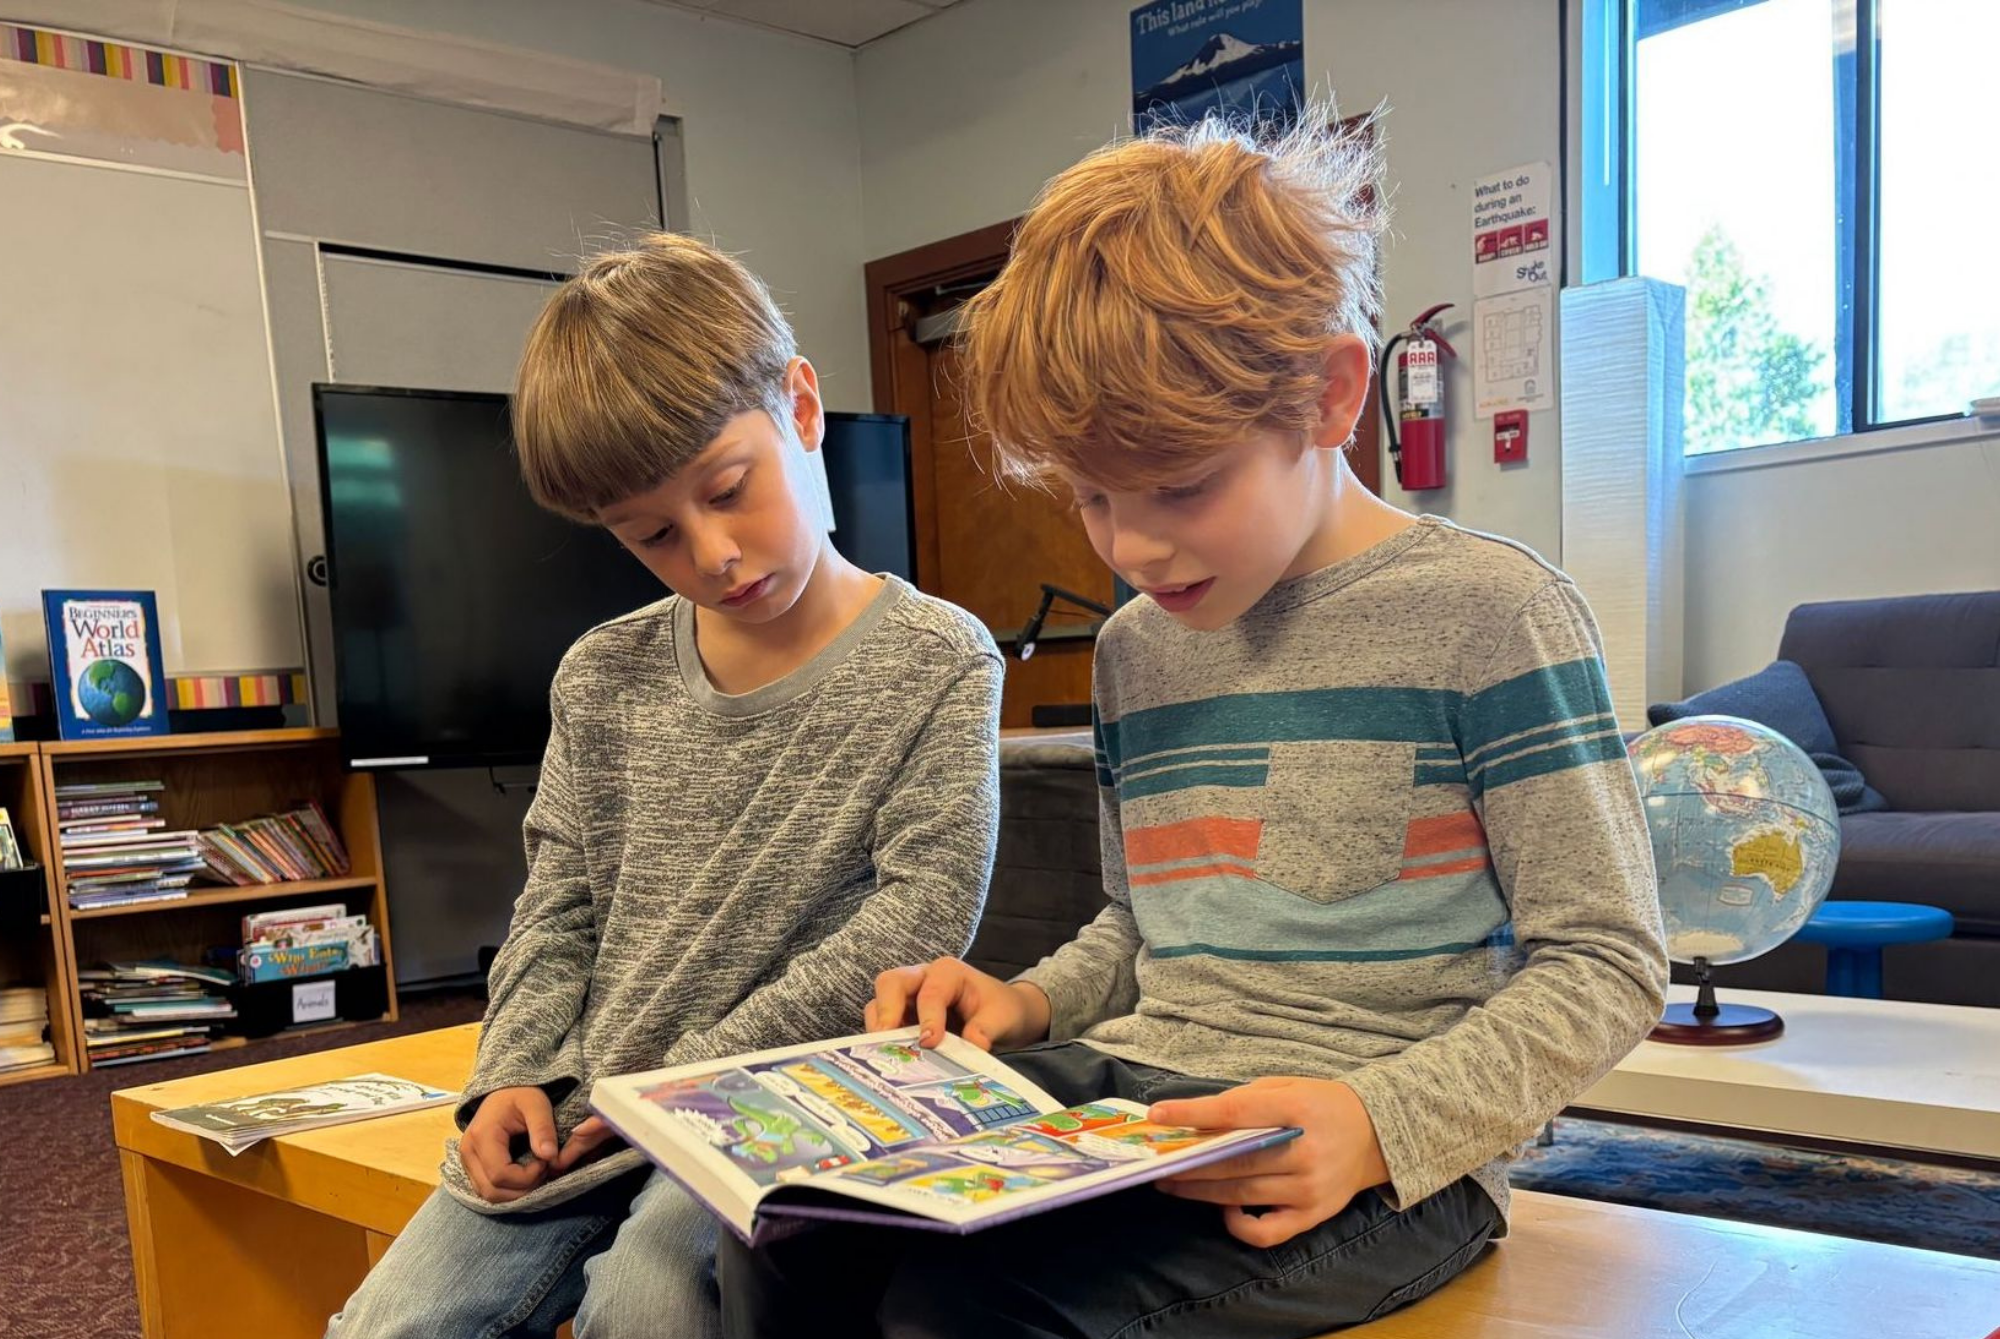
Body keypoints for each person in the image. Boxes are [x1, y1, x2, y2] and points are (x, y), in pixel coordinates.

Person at [718, 109, 1668, 1338]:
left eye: (1179, 485)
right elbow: (1144, 924)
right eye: (1091, 497)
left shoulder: (1492, 612)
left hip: (1378, 1160)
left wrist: (1378, 1125)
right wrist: (1026, 1004)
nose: (1133, 546)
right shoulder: (1134, 648)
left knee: (963, 1315)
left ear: (1328, 395)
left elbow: (1605, 961)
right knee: (783, 1232)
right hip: (1132, 1098)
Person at [327, 233, 1005, 1339]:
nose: (713, 555)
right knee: (388, 1324)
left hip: (796, 1099)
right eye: (650, 536)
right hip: (589, 1106)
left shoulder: (938, 658)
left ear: (801, 405)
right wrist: (512, 1076)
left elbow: (921, 914)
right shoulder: (602, 674)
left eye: (730, 490)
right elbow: (557, 905)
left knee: (645, 1300)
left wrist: (668, 1088)